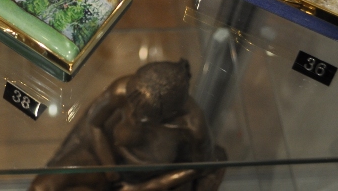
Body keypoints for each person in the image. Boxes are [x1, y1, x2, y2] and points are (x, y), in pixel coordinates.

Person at [29, 60, 225, 191]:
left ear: (170, 114)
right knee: (42, 187)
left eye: (144, 116)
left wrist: (145, 187)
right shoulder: (122, 90)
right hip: (104, 156)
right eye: (131, 105)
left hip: (149, 179)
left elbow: (200, 168)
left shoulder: (192, 126)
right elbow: (93, 124)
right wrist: (109, 169)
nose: (133, 114)